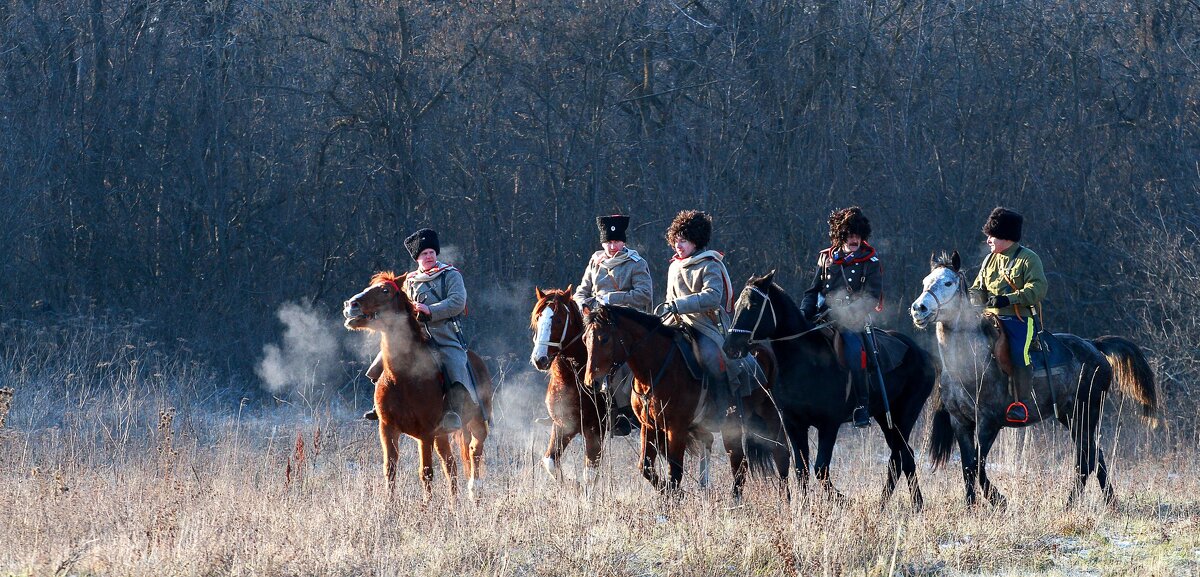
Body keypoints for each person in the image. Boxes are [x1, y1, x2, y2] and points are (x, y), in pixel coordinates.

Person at [363, 228, 480, 432]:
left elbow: (457, 302)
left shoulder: (450, 275)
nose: (428, 256)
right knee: (380, 363)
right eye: (424, 254)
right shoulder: (408, 281)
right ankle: (380, 404)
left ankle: (453, 411)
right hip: (414, 334)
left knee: (454, 364)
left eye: (431, 253)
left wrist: (429, 310)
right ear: (417, 258)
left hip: (444, 333)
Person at [659, 210, 759, 412]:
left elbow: (713, 297)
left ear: (696, 241)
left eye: (684, 241)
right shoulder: (674, 266)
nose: (678, 245)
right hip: (675, 320)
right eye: (676, 240)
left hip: (704, 323)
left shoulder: (710, 263)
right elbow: (671, 298)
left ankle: (723, 404)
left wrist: (680, 305)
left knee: (711, 355)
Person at [800, 207, 883, 428]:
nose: (854, 239)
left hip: (852, 320)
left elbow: (872, 297)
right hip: (822, 316)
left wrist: (847, 313)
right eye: (849, 234)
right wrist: (804, 312)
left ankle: (861, 405)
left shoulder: (870, 260)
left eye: (857, 235)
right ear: (841, 236)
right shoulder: (825, 258)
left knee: (856, 352)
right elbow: (813, 290)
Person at [573, 215, 653, 435]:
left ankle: (624, 410)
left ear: (623, 242)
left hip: (628, 323)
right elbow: (582, 290)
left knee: (623, 360)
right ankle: (573, 406)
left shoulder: (636, 264)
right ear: (603, 243)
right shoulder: (595, 262)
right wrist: (582, 304)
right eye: (609, 242)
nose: (613, 246)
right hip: (597, 322)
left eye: (616, 241)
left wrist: (612, 299)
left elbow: (644, 295)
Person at [968, 207, 1047, 423]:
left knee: (1019, 354)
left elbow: (1038, 290)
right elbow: (977, 287)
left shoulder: (1028, 259)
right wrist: (977, 300)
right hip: (988, 318)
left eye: (992, 236)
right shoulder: (989, 261)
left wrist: (1008, 299)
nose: (988, 241)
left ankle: (1020, 404)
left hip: (1018, 319)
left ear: (1006, 236)